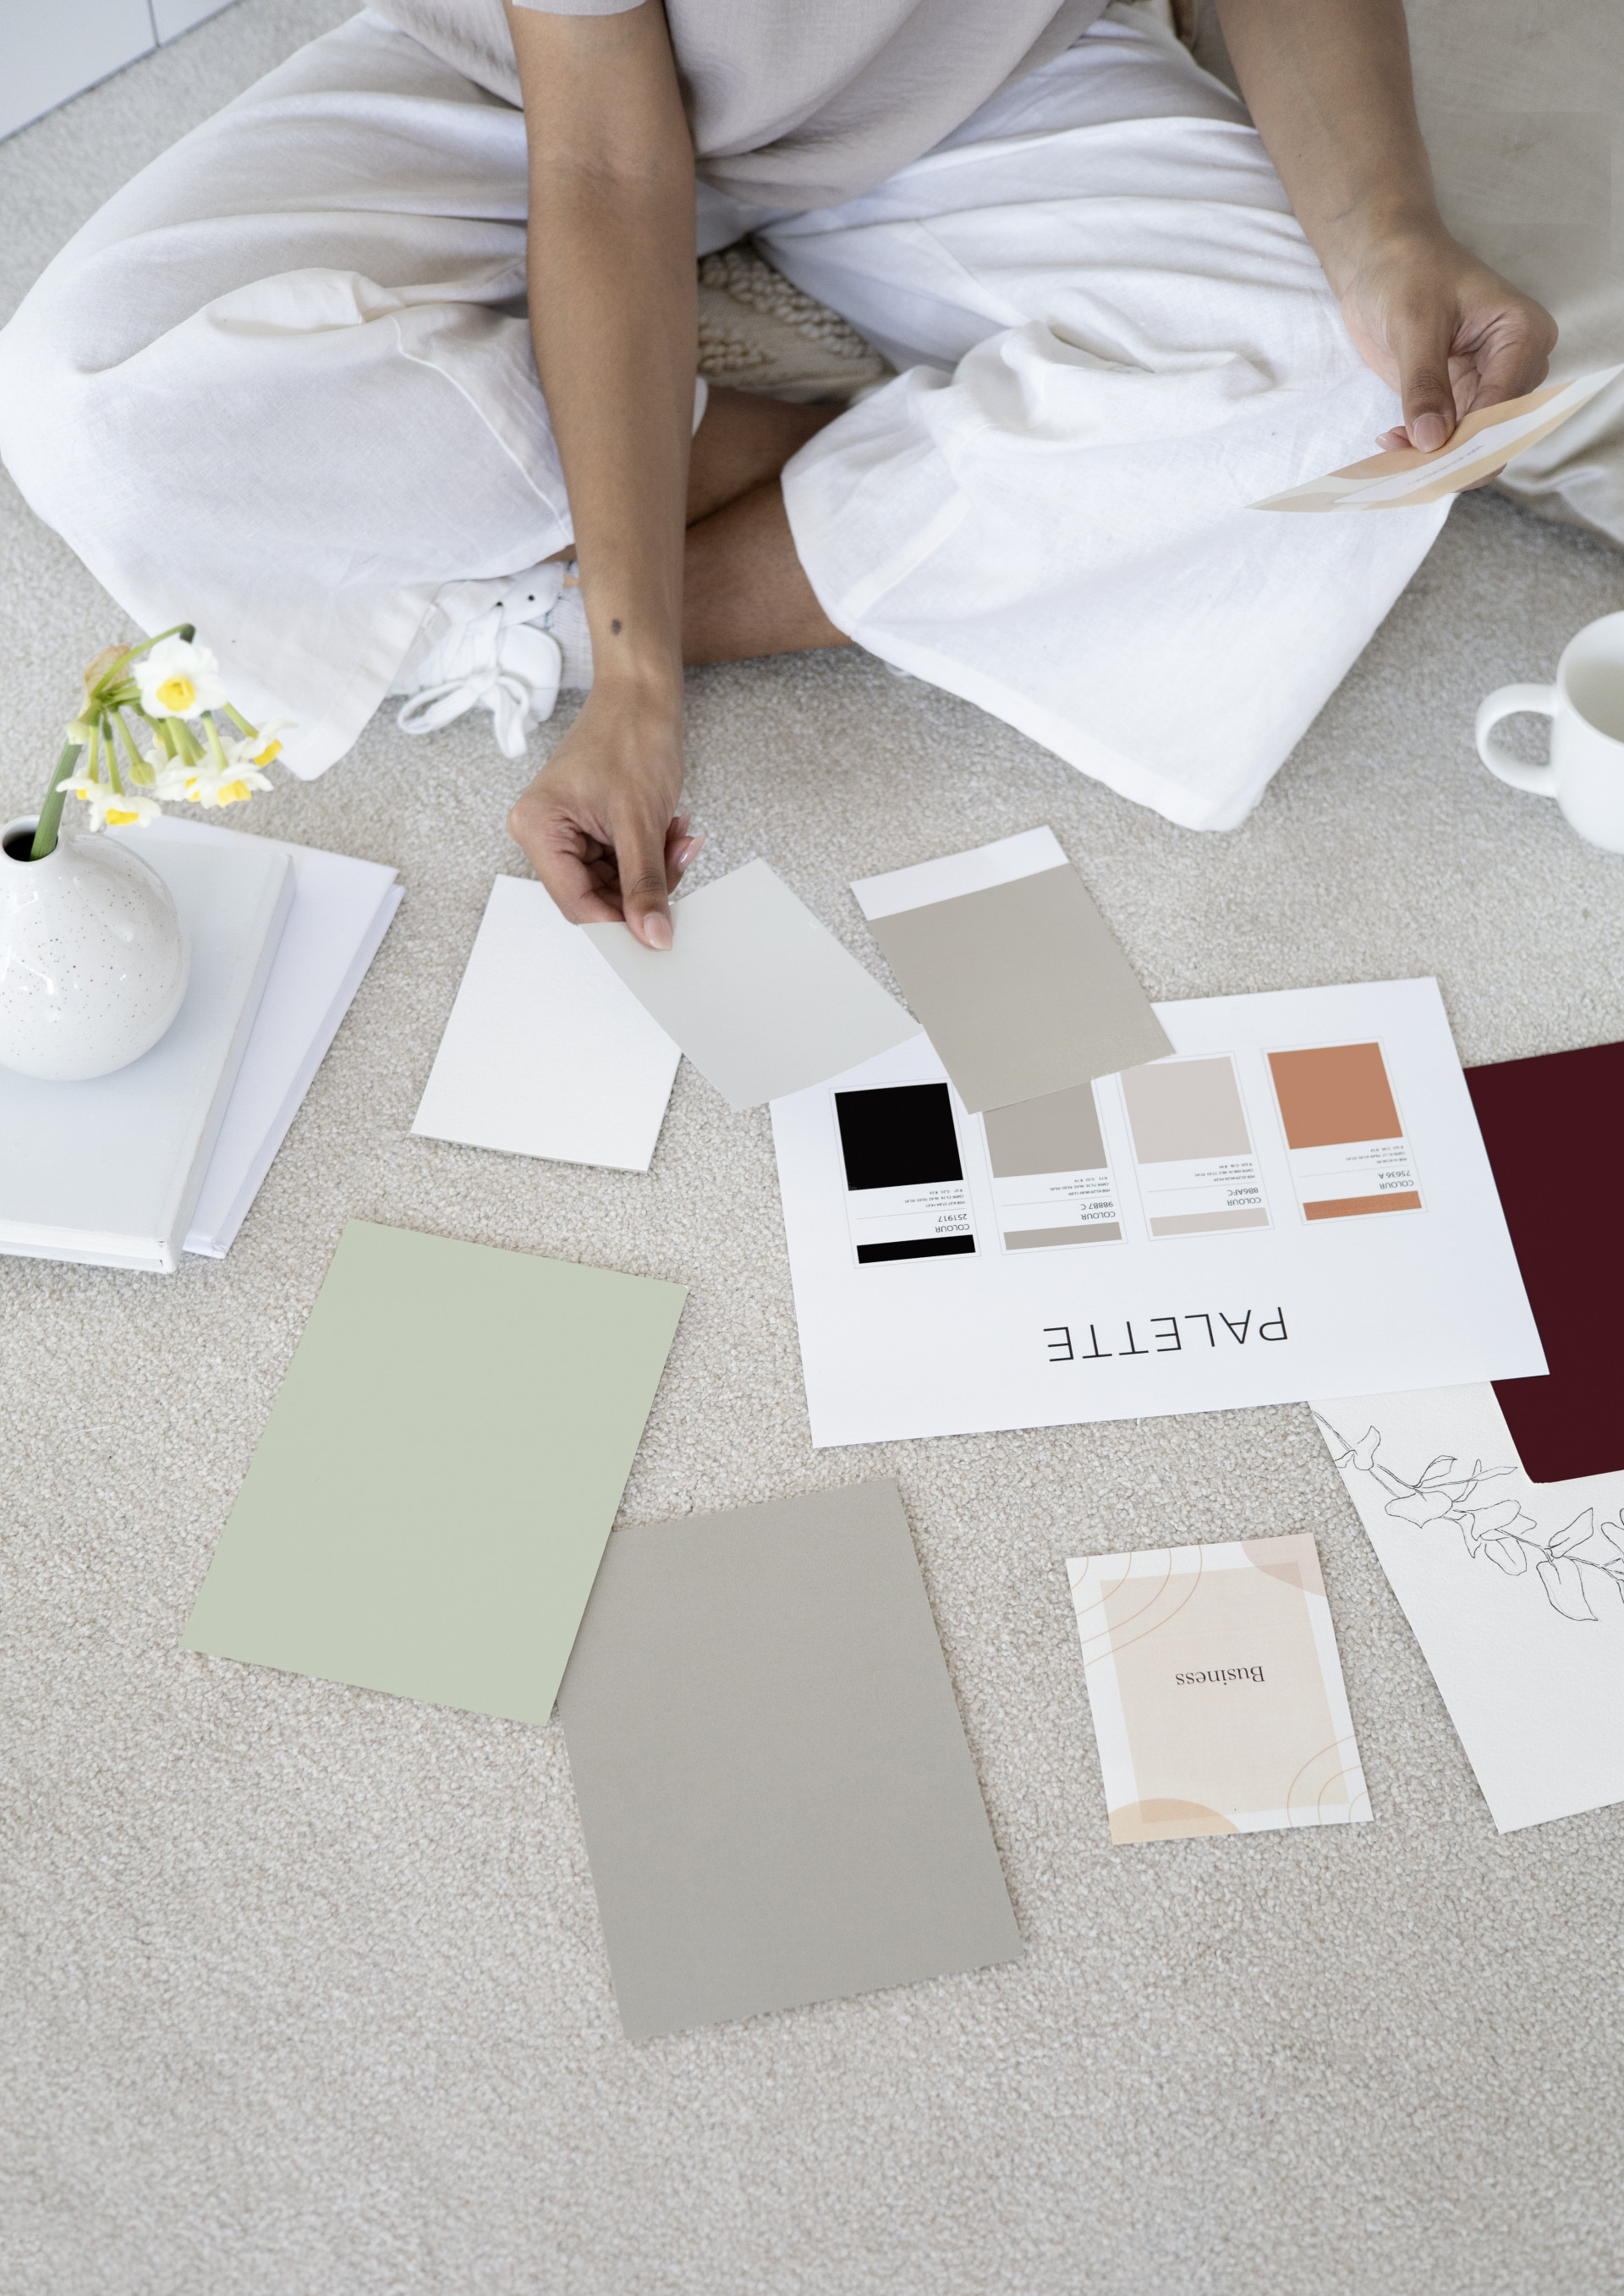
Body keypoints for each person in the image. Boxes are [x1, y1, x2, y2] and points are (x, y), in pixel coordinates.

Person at [0, 0, 1554, 948]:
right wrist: (639, 688)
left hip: (979, 68)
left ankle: (566, 593)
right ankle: (865, 461)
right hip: (531, 88)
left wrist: (1386, 231)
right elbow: (607, 161)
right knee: (89, 399)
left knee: (1353, 379)